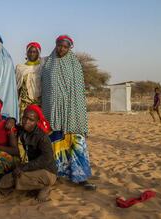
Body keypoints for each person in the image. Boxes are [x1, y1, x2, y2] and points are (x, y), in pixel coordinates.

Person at [40, 35, 95, 190]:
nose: (61, 49)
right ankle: (56, 175)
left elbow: (79, 94)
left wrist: (80, 119)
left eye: (65, 47)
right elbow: (46, 91)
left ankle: (81, 178)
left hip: (72, 114)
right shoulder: (48, 65)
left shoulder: (75, 66)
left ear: (70, 47)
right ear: (55, 45)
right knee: (55, 146)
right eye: (59, 45)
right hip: (53, 113)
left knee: (77, 145)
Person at [0, 105, 57, 202]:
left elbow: (46, 159)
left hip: (47, 171)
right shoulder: (23, 130)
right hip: (32, 167)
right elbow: (11, 123)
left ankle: (45, 187)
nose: (27, 121)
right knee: (10, 174)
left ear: (36, 122)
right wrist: (12, 120)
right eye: (25, 118)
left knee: (19, 177)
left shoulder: (42, 137)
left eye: (31, 120)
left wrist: (24, 167)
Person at [16, 42, 43, 119]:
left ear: (38, 53)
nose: (32, 54)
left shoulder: (42, 67)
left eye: (34, 52)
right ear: (26, 53)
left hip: (39, 104)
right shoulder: (20, 68)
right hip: (24, 105)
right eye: (30, 52)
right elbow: (18, 87)